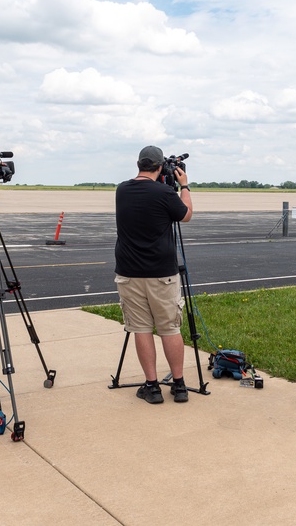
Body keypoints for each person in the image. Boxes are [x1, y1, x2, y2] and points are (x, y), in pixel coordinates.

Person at [114, 145, 194, 404]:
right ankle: (179, 385)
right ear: (160, 167)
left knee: (141, 329)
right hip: (162, 273)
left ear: (138, 164)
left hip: (129, 272)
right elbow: (186, 215)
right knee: (169, 328)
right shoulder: (164, 193)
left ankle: (152, 386)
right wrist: (184, 186)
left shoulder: (122, 190)